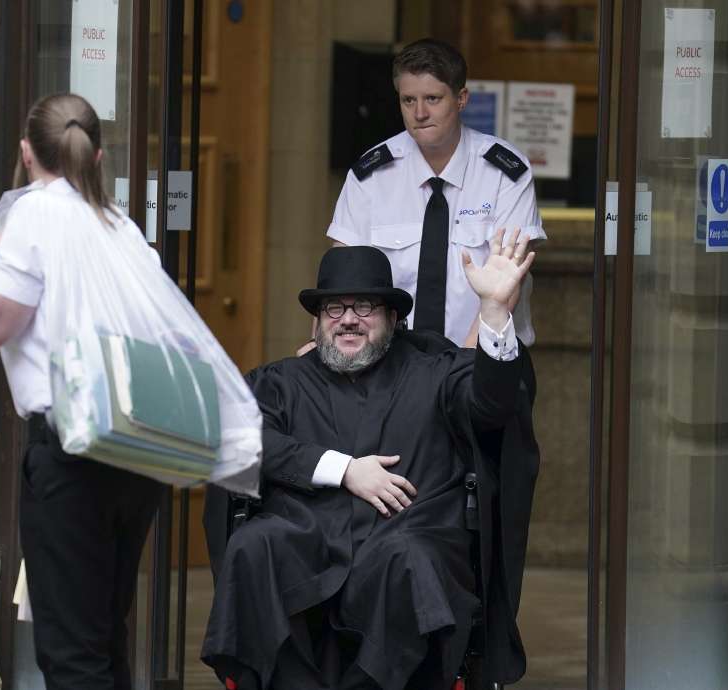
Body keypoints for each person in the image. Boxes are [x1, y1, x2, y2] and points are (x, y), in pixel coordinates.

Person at [202, 237, 539, 690]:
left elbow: (493, 405)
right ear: (318, 321)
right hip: (306, 533)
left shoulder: (436, 370)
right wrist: (342, 469)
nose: (347, 320)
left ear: (394, 318)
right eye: (333, 309)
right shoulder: (281, 382)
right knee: (254, 545)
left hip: (405, 533)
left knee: (412, 561)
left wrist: (495, 313)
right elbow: (238, 438)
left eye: (364, 307)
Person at [0, 93, 162, 690]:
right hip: (137, 444)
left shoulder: (32, 215)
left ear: (27, 153)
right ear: (97, 155)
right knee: (105, 633)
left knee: (70, 649)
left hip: (73, 448)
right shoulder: (122, 227)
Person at [326, 38, 545, 349]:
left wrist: (463, 365)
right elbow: (341, 278)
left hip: (486, 358)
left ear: (461, 98)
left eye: (432, 98)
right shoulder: (371, 175)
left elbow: (508, 281)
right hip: (390, 363)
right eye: (408, 100)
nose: (419, 113)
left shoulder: (504, 172)